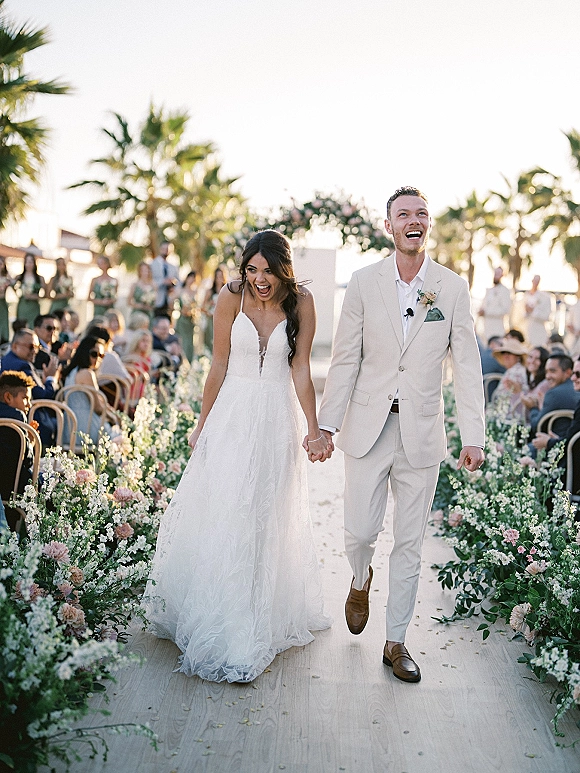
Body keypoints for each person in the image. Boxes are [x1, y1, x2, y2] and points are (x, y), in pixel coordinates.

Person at [143, 230, 332, 683]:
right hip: (232, 416)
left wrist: (313, 427)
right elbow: (220, 365)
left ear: (283, 269)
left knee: (266, 514)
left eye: (268, 271)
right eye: (252, 270)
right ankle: (225, 617)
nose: (259, 279)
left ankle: (257, 617)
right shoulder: (230, 298)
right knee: (230, 510)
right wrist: (202, 424)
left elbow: (301, 367)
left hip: (276, 418)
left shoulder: (302, 303)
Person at [318, 187, 485, 683]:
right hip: (368, 426)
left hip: (423, 434)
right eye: (403, 214)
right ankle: (359, 577)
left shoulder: (451, 287)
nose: (413, 220)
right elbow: (346, 357)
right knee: (360, 532)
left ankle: (397, 642)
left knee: (410, 543)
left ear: (427, 225)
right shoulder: (364, 282)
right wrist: (328, 424)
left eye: (421, 213)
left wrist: (472, 435)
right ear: (389, 227)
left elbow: (468, 366)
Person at [0, 328, 58, 447]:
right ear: (15, 346)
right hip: (28, 419)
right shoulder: (23, 365)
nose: (35, 351)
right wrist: (51, 378)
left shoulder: (6, 360)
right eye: (31, 347)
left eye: (37, 347)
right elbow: (43, 394)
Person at [532, 358, 580, 493]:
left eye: (578, 374)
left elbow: (572, 443)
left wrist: (549, 441)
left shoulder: (553, 393)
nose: (573, 378)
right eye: (574, 374)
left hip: (573, 470)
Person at [0, 371, 37, 531]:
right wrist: (30, 441)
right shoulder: (15, 416)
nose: (29, 404)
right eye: (25, 398)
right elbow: (27, 460)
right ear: (8, 397)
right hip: (12, 485)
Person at [61, 336, 108, 445]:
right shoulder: (87, 373)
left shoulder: (72, 371)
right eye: (94, 354)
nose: (98, 359)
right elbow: (98, 408)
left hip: (70, 428)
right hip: (85, 428)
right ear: (85, 352)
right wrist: (114, 417)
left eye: (101, 355)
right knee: (120, 437)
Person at [529, 353, 580, 438]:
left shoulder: (553, 394)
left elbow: (536, 427)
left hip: (560, 445)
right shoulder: (573, 388)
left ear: (567, 372)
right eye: (546, 372)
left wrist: (533, 407)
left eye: (552, 371)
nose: (547, 376)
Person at [491, 339, 529, 420]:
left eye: (510, 353)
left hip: (511, 416)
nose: (506, 356)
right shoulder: (515, 370)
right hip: (510, 414)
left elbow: (505, 398)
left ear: (518, 357)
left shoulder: (516, 372)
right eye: (503, 353)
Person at [478, 266, 511, 340]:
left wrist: (486, 312)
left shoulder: (505, 291)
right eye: (495, 273)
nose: (496, 276)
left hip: (497, 329)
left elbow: (505, 310)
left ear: (502, 275)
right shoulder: (489, 290)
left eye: (498, 274)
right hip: (486, 329)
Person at [173, 271, 199, 363]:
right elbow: (171, 302)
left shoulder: (195, 291)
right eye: (190, 278)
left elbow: (198, 306)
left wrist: (193, 311)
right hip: (182, 320)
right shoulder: (180, 290)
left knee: (190, 342)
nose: (191, 280)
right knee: (182, 341)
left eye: (194, 279)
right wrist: (180, 310)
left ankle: (190, 361)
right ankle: (182, 362)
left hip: (191, 320)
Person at [15, 253, 46, 328]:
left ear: (34, 263)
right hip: (23, 305)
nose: (29, 264)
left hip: (34, 306)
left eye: (31, 262)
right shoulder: (19, 277)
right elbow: (13, 286)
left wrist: (35, 297)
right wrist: (19, 295)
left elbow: (46, 294)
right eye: (27, 262)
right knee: (22, 326)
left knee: (34, 326)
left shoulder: (39, 278)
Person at [520, 346, 550, 421]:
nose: (532, 361)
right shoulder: (530, 378)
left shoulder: (545, 384)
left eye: (537, 359)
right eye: (530, 357)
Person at [151, 241, 180, 318]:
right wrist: (163, 282)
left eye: (168, 249)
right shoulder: (152, 264)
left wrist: (173, 286)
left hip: (169, 302)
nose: (166, 250)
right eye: (164, 248)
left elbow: (178, 282)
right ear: (160, 249)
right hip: (156, 300)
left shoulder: (174, 266)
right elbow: (150, 281)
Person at [202, 266, 227, 352]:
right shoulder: (210, 291)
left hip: (223, 320)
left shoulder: (227, 290)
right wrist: (210, 304)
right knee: (211, 341)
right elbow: (202, 307)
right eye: (217, 276)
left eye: (221, 276)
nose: (219, 278)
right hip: (211, 319)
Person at [524, 275, 552, 348]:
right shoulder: (525, 296)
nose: (535, 283)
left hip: (539, 332)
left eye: (537, 281)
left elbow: (547, 316)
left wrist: (533, 311)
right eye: (534, 280)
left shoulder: (546, 297)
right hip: (526, 330)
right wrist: (527, 311)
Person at [0, 256, 14, 344]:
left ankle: (3, 340)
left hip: (3, 304)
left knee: (3, 323)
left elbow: (14, 283)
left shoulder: (6, 278)